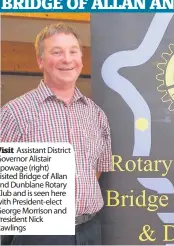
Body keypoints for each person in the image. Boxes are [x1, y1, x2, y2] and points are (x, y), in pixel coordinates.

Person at [0, 23, 112, 245]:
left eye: (73, 51)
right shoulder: (14, 113)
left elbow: (96, 170)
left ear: (81, 58)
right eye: (57, 52)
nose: (67, 59)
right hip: (40, 234)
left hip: (90, 231)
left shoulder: (96, 115)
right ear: (40, 60)